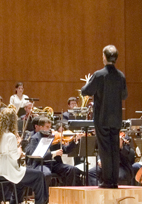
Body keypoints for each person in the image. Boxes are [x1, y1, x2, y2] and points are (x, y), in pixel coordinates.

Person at [81, 45, 128, 188]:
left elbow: (85, 91)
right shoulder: (121, 75)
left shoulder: (99, 74)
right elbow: (124, 95)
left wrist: (88, 83)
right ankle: (114, 181)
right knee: (114, 148)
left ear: (104, 57)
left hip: (102, 118)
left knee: (105, 149)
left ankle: (107, 181)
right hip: (116, 118)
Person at [0, 107, 52, 204]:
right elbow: (15, 156)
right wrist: (19, 146)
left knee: (24, 179)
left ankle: (14, 203)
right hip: (10, 169)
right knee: (38, 175)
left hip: (1, 167)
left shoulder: (0, 134)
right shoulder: (10, 136)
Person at [26, 117, 82, 186]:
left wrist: (75, 140)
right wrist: (54, 153)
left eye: (50, 127)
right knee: (46, 174)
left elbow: (66, 150)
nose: (49, 129)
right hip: (41, 163)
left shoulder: (53, 137)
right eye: (47, 127)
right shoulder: (35, 138)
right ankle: (45, 195)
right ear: (40, 127)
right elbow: (36, 155)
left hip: (54, 164)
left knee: (71, 169)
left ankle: (67, 193)